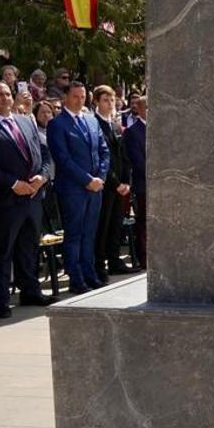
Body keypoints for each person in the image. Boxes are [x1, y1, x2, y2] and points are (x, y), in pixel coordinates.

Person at [0, 81, 56, 316]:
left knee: (29, 248)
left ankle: (30, 291)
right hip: (5, 201)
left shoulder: (25, 121)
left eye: (8, 94)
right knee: (2, 252)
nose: (5, 98)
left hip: (32, 198)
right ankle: (1, 302)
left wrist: (42, 176)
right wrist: (13, 184)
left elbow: (43, 153)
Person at [47, 81, 109, 294]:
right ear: (66, 97)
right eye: (75, 96)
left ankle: (89, 274)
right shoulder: (58, 124)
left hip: (95, 188)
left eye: (83, 97)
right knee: (74, 234)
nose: (79, 100)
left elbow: (104, 151)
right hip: (73, 189)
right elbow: (63, 158)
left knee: (89, 233)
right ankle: (76, 278)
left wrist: (100, 177)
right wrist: (86, 180)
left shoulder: (91, 121)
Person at [91, 85, 133, 281]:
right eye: (105, 100)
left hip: (120, 186)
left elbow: (123, 155)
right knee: (103, 226)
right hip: (106, 185)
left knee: (116, 224)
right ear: (97, 102)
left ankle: (115, 261)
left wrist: (126, 181)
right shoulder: (94, 124)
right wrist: (115, 182)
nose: (110, 104)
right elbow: (101, 158)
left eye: (112, 100)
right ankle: (99, 265)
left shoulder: (116, 126)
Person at [123, 96, 147, 269]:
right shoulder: (133, 132)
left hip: (164, 185)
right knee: (144, 223)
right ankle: (145, 259)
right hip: (144, 185)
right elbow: (138, 162)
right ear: (139, 109)